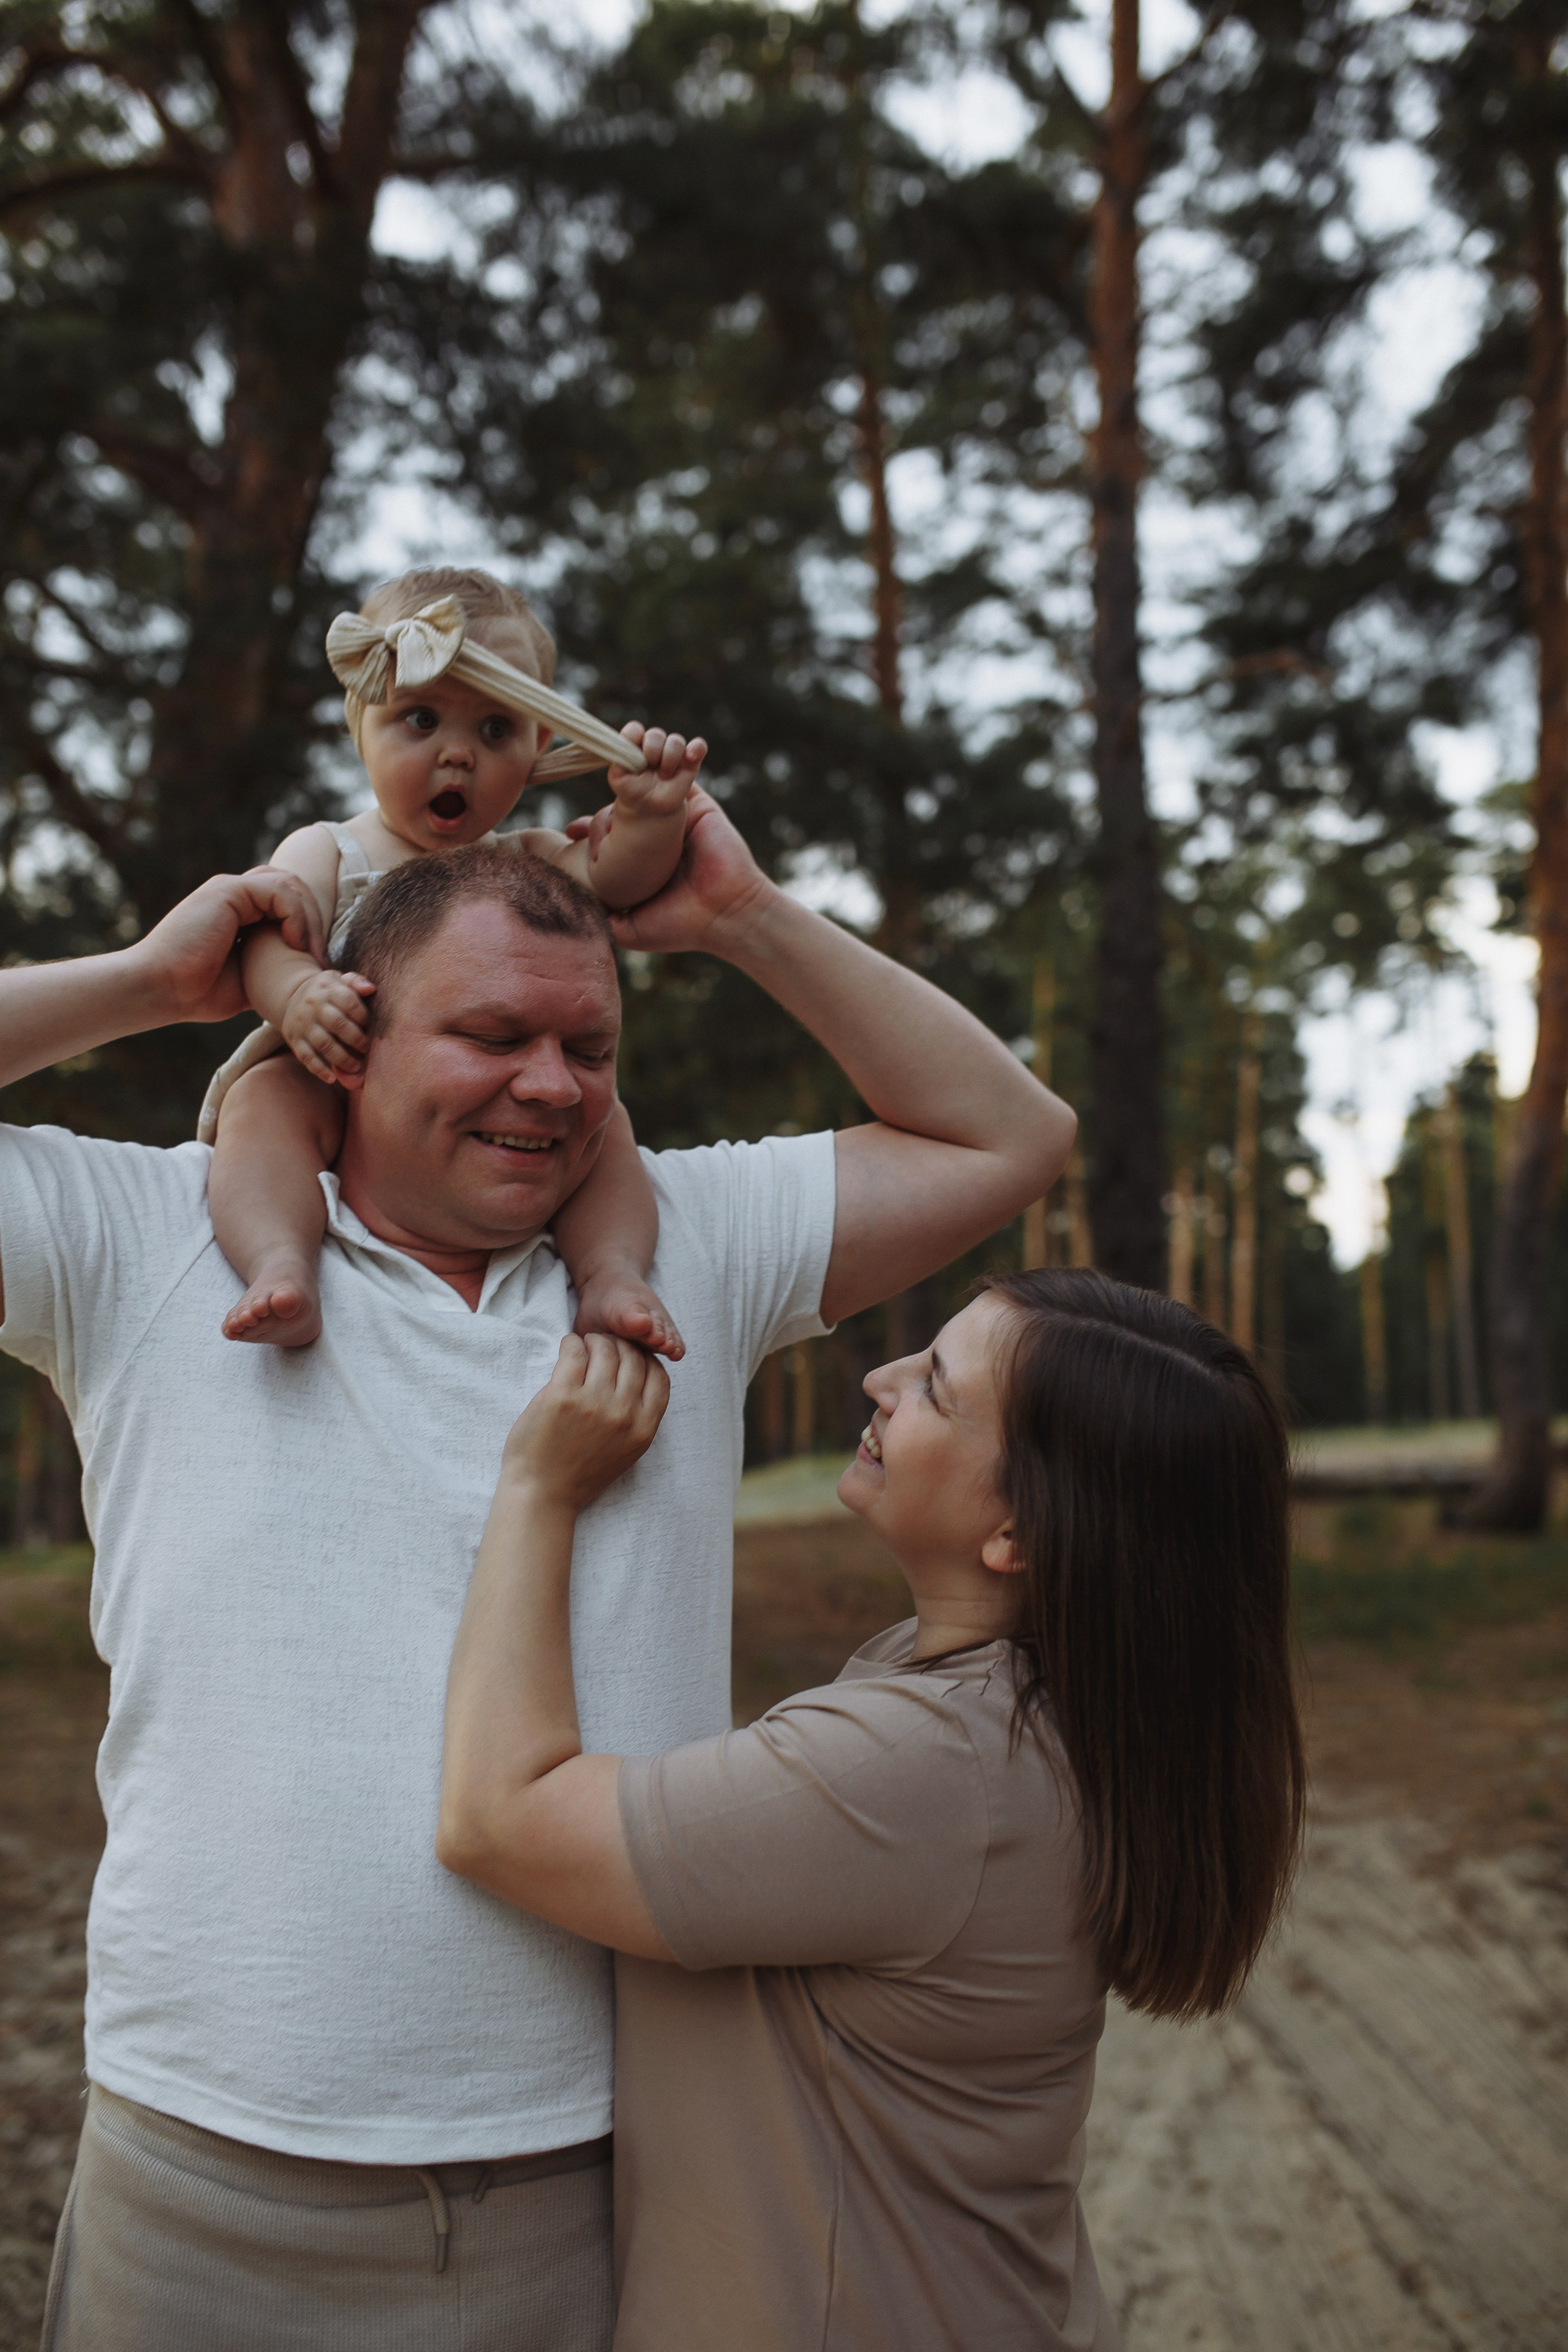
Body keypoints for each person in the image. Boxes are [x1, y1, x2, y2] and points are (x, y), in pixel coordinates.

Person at [0, 791, 1075, 2351]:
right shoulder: (148, 1231)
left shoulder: (678, 1240)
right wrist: (157, 982)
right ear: (343, 1038)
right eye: (494, 1035)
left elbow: (1012, 1135)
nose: (553, 1088)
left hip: (590, 2183)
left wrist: (738, 916)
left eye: (590, 1049)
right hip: (206, 2174)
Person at [437, 1275, 1307, 2352]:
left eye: (937, 1388)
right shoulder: (1029, 1713)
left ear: (1019, 1534)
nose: (881, 1380)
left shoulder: (932, 1764)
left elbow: (496, 1818)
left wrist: (538, 1488)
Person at [206, 564, 704, 1355]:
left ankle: (611, 1273)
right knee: (259, 1108)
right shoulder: (328, 849)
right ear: (360, 723)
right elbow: (266, 936)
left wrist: (653, 814)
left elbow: (616, 877)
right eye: (421, 720)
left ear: (542, 746)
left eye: (495, 731)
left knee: (606, 1126)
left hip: (468, 1108)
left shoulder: (527, 862)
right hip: (329, 1064)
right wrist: (298, 995)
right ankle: (278, 1262)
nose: (457, 756)